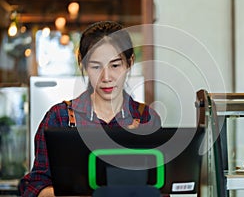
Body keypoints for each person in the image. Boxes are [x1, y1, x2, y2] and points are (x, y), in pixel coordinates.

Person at [19, 21, 161, 197]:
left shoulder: (146, 118)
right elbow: (34, 187)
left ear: (129, 63)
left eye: (115, 65)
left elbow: (160, 188)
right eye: (96, 67)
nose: (106, 77)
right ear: (84, 65)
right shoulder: (59, 118)